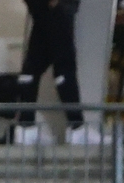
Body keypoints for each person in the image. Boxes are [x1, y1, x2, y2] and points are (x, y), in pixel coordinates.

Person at [15, 0, 107, 145]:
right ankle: (76, 127)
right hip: (57, 6)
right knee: (64, 65)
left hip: (47, 7)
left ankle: (26, 125)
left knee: (34, 64)